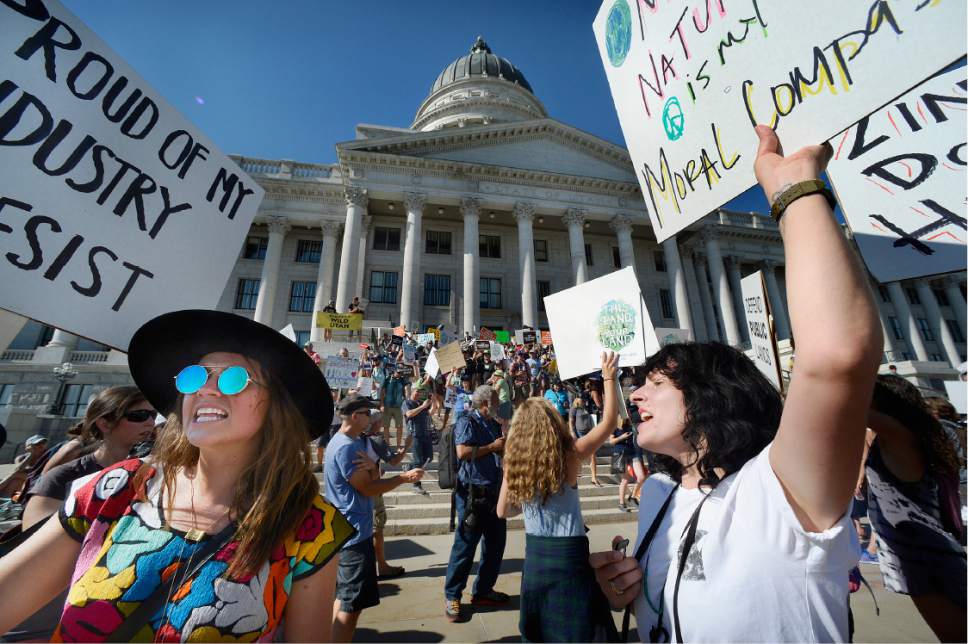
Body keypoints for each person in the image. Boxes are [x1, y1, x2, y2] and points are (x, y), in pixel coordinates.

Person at [589, 126, 884, 642]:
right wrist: (633, 595)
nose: (634, 395)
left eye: (655, 383)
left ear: (709, 394)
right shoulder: (658, 495)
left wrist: (794, 189)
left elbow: (838, 359)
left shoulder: (779, 493)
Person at [0, 309, 354, 641]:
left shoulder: (311, 526)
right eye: (195, 376)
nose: (205, 388)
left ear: (275, 407)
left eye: (234, 378)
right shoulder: (113, 489)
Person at [498, 352, 620, 642]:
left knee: (542, 630)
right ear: (552, 423)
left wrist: (511, 464)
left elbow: (503, 511)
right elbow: (609, 422)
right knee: (578, 629)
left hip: (536, 558)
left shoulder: (516, 464)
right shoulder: (570, 457)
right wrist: (608, 377)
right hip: (569, 558)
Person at [863, 375, 966, 642]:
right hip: (927, 556)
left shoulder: (900, 438)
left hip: (926, 559)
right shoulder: (913, 436)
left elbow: (846, 403)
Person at [326, 394, 424, 642]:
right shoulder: (348, 447)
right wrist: (403, 478)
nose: (371, 418)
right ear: (355, 416)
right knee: (351, 605)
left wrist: (371, 468)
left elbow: (367, 479)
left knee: (345, 599)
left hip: (347, 529)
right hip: (353, 534)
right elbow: (367, 488)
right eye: (367, 414)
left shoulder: (344, 440)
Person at [20, 386, 156, 530]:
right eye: (139, 415)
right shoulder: (62, 477)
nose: (150, 422)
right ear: (105, 424)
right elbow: (36, 539)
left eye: (153, 415)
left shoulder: (151, 474)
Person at [443, 385, 509, 623]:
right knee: (465, 547)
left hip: (493, 493)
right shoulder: (466, 420)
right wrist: (492, 447)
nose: (498, 407)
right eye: (495, 403)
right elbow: (462, 452)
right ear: (484, 404)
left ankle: (483, 590)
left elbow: (498, 451)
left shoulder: (492, 423)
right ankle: (452, 595)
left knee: (495, 546)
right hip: (472, 495)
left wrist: (504, 441)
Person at [360, 410, 413, 580]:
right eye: (380, 421)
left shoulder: (356, 438)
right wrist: (406, 447)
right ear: (375, 423)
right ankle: (382, 566)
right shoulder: (376, 439)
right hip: (372, 488)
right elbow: (395, 461)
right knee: (377, 527)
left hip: (357, 486)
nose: (383, 424)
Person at [402, 387, 434, 496]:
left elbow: (430, 413)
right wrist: (423, 406)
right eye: (417, 391)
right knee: (418, 460)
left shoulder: (421, 403)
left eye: (420, 392)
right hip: (414, 435)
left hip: (425, 434)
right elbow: (409, 414)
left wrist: (432, 402)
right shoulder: (407, 403)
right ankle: (416, 484)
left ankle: (409, 467)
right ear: (412, 391)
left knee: (429, 457)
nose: (418, 394)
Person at [0, 435, 47, 499]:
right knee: (16, 481)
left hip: (39, 481)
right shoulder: (21, 458)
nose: (40, 446)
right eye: (37, 444)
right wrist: (31, 454)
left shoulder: (47, 457)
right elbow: (18, 469)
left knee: (15, 475)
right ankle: (5, 500)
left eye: (43, 443)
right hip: (25, 481)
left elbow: (40, 473)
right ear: (28, 447)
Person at [569, 398, 599, 486]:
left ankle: (594, 477)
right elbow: (571, 422)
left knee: (593, 454)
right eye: (581, 401)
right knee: (578, 453)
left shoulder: (586, 408)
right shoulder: (574, 409)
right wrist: (572, 432)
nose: (583, 401)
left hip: (589, 432)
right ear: (577, 402)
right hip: (579, 433)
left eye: (583, 400)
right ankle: (578, 470)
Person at [609, 419, 636, 512]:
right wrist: (622, 437)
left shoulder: (630, 426)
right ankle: (621, 503)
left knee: (639, 477)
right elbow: (611, 441)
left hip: (631, 453)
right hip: (620, 454)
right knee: (625, 480)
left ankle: (631, 497)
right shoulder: (615, 427)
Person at [381, 368, 407, 449]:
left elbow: (406, 390)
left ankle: (399, 446)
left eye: (401, 373)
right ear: (394, 371)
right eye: (398, 372)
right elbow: (382, 391)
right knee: (386, 426)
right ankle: (387, 445)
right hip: (387, 406)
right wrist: (381, 404)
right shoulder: (387, 379)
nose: (399, 374)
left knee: (399, 427)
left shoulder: (402, 380)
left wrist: (405, 399)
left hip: (398, 406)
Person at [489, 368, 513, 433]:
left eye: (495, 376)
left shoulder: (500, 380)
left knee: (501, 421)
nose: (494, 377)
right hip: (506, 402)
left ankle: (503, 437)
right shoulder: (502, 381)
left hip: (503, 403)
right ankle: (505, 437)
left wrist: (493, 383)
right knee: (506, 423)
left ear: (499, 376)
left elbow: (495, 391)